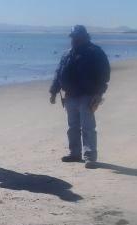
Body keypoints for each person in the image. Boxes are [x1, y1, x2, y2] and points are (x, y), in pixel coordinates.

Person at [50, 25, 111, 168]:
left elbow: (104, 75)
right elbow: (59, 73)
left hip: (88, 96)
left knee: (88, 127)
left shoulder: (96, 52)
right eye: (72, 37)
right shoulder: (67, 54)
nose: (74, 39)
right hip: (70, 96)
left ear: (85, 37)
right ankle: (75, 154)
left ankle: (90, 156)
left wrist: (99, 93)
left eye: (77, 37)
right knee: (73, 127)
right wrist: (53, 91)